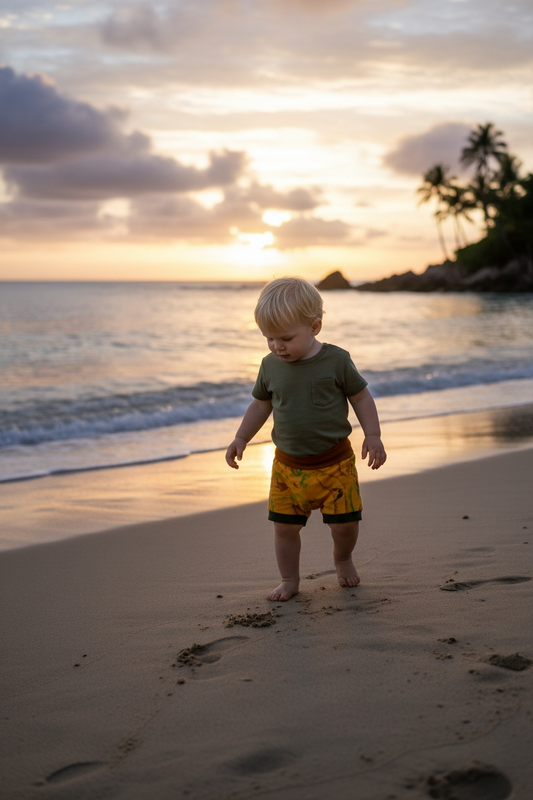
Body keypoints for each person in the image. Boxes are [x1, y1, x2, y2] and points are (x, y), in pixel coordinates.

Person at [225, 277, 386, 602]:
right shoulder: (270, 366)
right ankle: (289, 579)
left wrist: (373, 434)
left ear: (315, 326)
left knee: (345, 526)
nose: (276, 346)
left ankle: (342, 558)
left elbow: (361, 397)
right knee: (284, 529)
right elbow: (260, 405)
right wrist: (241, 437)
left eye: (285, 338)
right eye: (268, 338)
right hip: (287, 468)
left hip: (335, 465)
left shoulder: (336, 360)